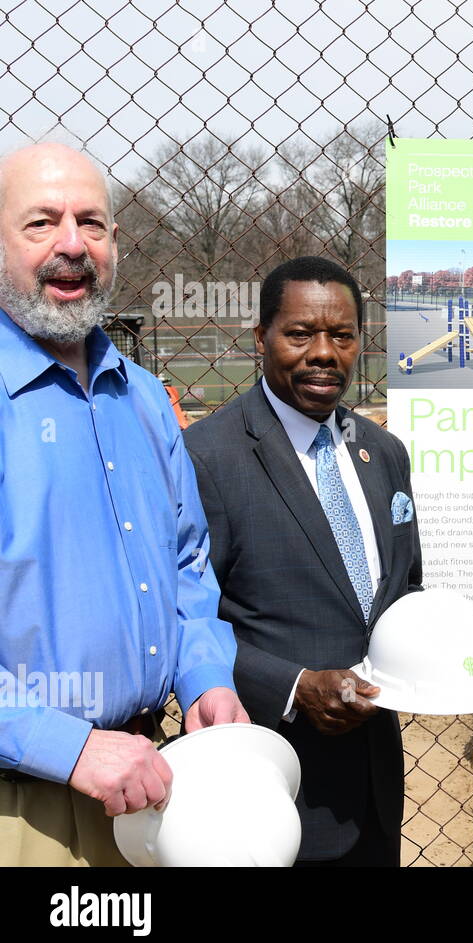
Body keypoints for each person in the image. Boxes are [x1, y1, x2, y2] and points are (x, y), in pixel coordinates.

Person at [0, 141, 246, 865]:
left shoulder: (140, 396)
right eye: (41, 223)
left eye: (93, 224)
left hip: (154, 778)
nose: (72, 245)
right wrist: (67, 746)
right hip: (22, 809)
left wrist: (204, 675)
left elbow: (186, 559)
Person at [184, 256, 423, 866]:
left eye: (341, 335)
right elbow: (182, 618)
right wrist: (293, 686)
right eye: (300, 334)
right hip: (269, 781)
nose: (323, 352)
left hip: (375, 785)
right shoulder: (207, 457)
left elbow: (405, 586)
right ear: (260, 337)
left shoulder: (384, 452)